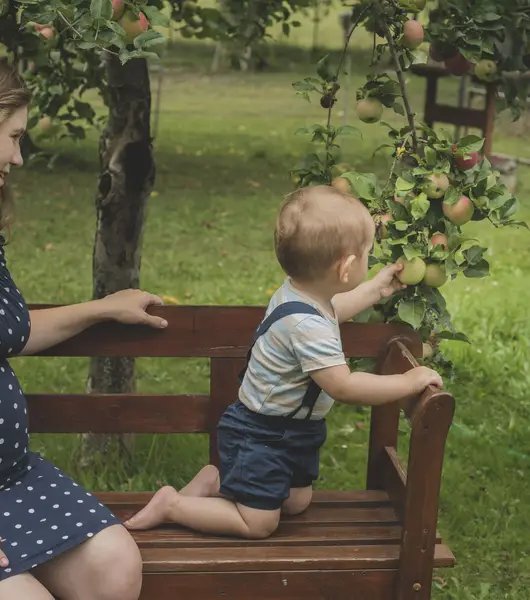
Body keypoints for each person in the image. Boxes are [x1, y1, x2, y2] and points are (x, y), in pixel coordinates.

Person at [0, 38, 168, 600]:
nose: (19, 157)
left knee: (114, 566)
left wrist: (101, 309)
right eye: (13, 137)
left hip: (7, 482)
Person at [125, 184, 443, 538]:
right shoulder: (306, 325)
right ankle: (173, 504)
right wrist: (408, 383)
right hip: (261, 435)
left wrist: (374, 289)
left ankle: (216, 480)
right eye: (368, 253)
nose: (370, 261)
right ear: (347, 266)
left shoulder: (300, 293)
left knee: (295, 502)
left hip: (293, 432)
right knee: (260, 523)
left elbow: (333, 311)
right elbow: (345, 385)